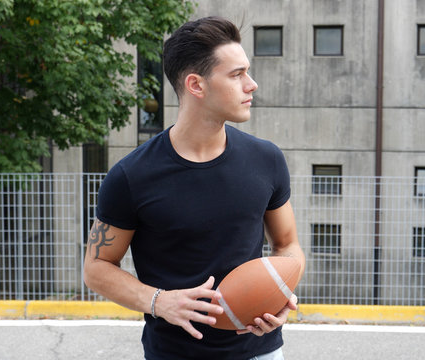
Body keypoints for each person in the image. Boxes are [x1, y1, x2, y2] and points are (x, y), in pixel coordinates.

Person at [83, 16, 305, 360]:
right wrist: (159, 301)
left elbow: (288, 246)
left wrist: (280, 298)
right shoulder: (132, 175)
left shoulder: (267, 159)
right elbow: (96, 268)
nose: (252, 84)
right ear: (196, 85)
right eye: (237, 74)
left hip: (260, 353)